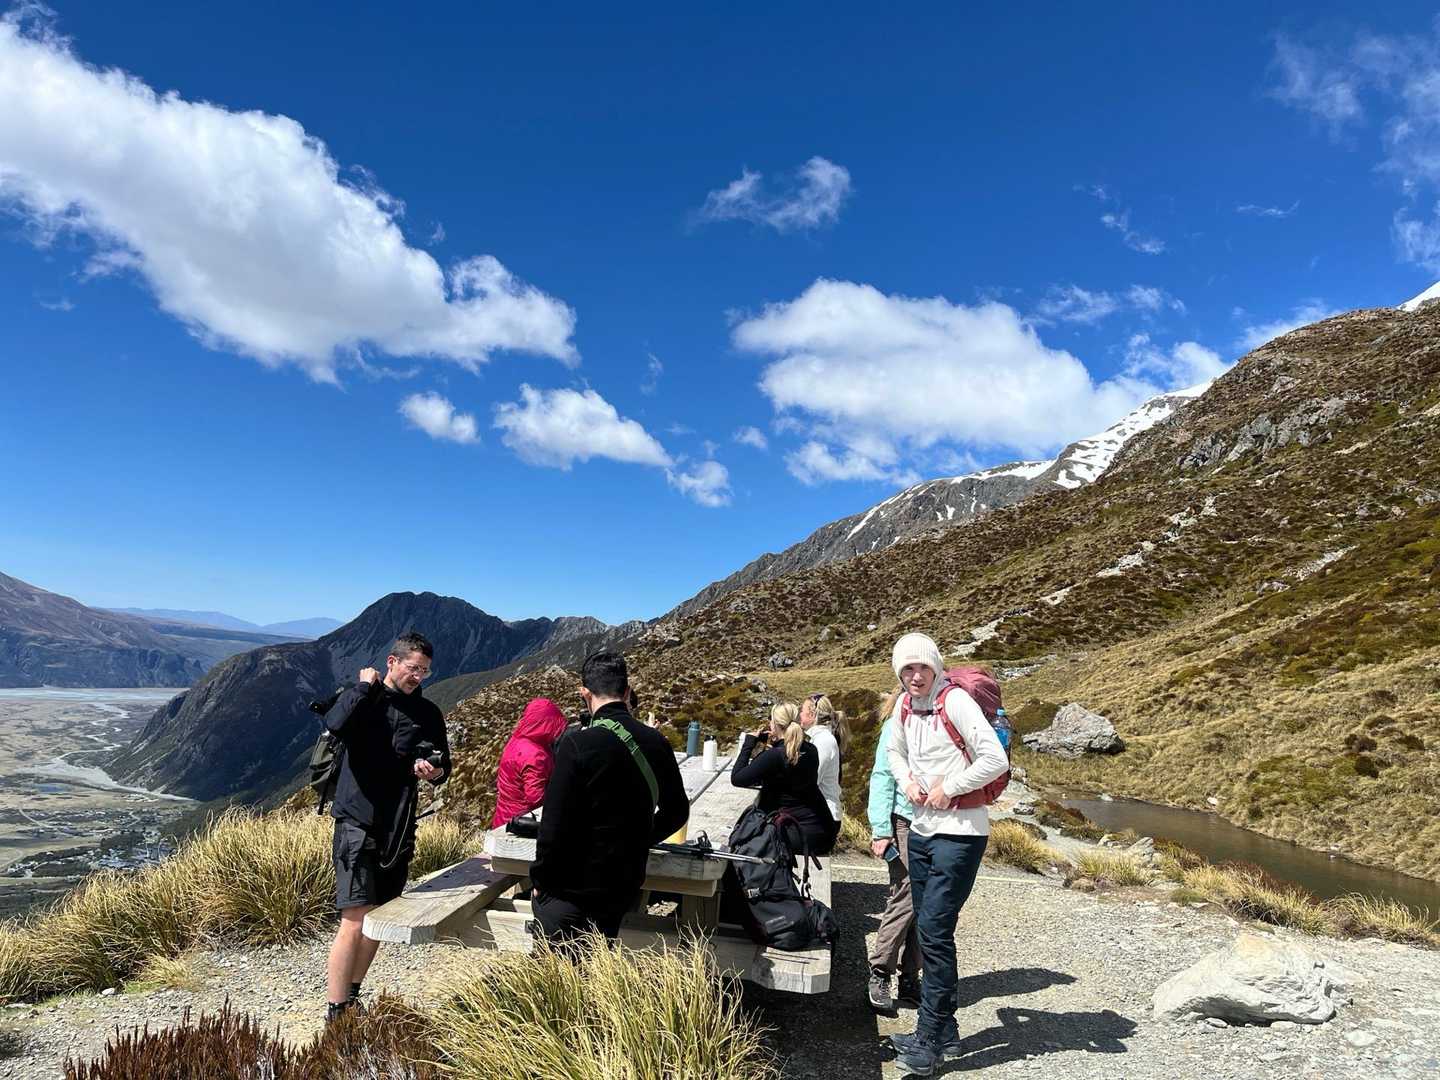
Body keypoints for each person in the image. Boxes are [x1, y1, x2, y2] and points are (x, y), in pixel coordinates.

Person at [886, 632, 1008, 1076]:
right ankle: (947, 1030)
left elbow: (995, 760)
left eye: (922, 667)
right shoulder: (904, 705)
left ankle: (928, 1040)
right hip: (921, 831)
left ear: (936, 667)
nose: (915, 676)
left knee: (935, 933)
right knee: (929, 928)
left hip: (961, 834)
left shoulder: (954, 701)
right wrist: (908, 783)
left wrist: (949, 788)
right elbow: (895, 752)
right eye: (907, 669)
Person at [323, 631, 450, 1023]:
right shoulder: (364, 699)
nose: (418, 677)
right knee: (355, 917)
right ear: (392, 662)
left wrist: (434, 771)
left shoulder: (427, 713)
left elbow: (443, 765)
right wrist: (364, 687)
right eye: (413, 668)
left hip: (398, 828)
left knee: (378, 917)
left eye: (425, 671)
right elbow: (335, 723)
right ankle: (336, 1011)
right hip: (357, 821)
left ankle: (352, 996)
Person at [529, 651, 688, 944]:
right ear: (627, 692)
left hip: (570, 888)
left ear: (584, 694)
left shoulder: (576, 743)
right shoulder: (656, 741)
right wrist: (637, 839)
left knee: (560, 967)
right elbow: (677, 812)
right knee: (602, 955)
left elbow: (553, 825)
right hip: (622, 884)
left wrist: (539, 881)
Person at [866, 686, 921, 1014]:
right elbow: (883, 776)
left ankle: (910, 975)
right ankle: (881, 971)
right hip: (904, 821)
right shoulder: (895, 724)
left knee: (925, 903)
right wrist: (881, 829)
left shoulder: (936, 722)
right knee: (907, 896)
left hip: (934, 824)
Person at [730, 702, 837, 856]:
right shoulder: (811, 750)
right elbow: (787, 775)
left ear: (775, 725)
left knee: (742, 841)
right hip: (823, 830)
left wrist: (748, 743)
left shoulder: (774, 756)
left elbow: (737, 778)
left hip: (797, 832)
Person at [491, 698, 568, 828]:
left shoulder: (517, 739)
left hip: (504, 817)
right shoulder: (535, 756)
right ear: (547, 725)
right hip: (523, 821)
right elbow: (536, 797)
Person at [800, 693, 848, 826]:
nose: (800, 714)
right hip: (822, 813)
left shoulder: (823, 741)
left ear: (812, 715)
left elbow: (812, 779)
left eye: (802, 711)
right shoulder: (820, 738)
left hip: (825, 816)